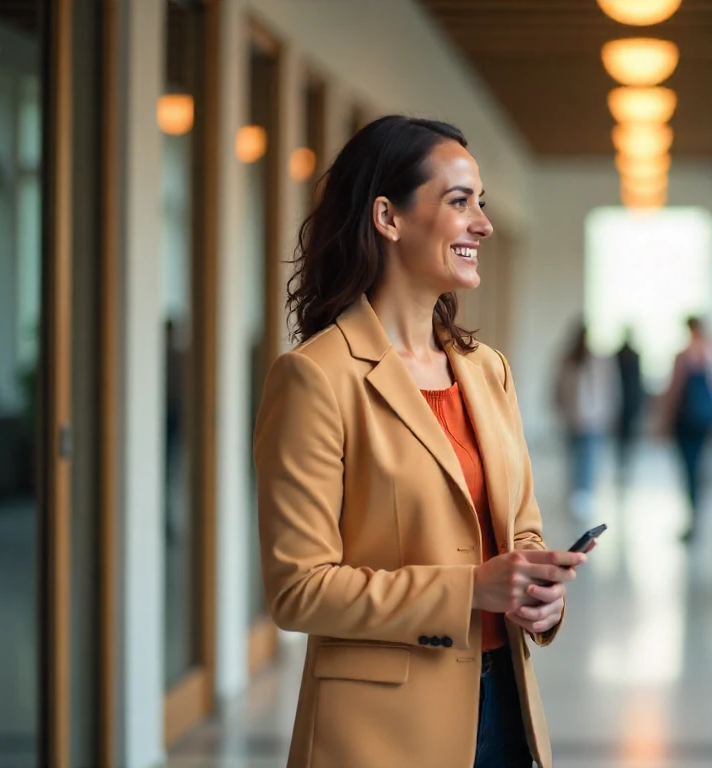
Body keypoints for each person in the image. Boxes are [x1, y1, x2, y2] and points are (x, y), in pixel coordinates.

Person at [253, 116, 585, 768]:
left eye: (481, 203)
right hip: (380, 735)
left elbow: (519, 534)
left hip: (507, 710)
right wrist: (470, 589)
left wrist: (538, 593)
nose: (483, 224)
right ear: (388, 217)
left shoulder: (487, 370)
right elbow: (298, 589)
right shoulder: (315, 378)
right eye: (459, 202)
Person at [662, 316, 712, 541]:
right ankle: (697, 514)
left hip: (684, 422)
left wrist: (663, 420)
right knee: (701, 468)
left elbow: (674, 392)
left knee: (689, 469)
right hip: (706, 420)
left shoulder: (683, 356)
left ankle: (693, 514)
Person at [551, 321, 618, 520]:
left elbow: (609, 389)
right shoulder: (569, 360)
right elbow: (558, 389)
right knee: (577, 457)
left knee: (587, 457)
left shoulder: (598, 361)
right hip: (578, 418)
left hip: (592, 419)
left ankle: (583, 493)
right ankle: (578, 493)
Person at [613, 327, 646, 483]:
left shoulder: (633, 356)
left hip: (629, 401)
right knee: (622, 436)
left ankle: (625, 464)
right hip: (623, 401)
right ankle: (622, 463)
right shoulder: (617, 356)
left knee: (628, 436)